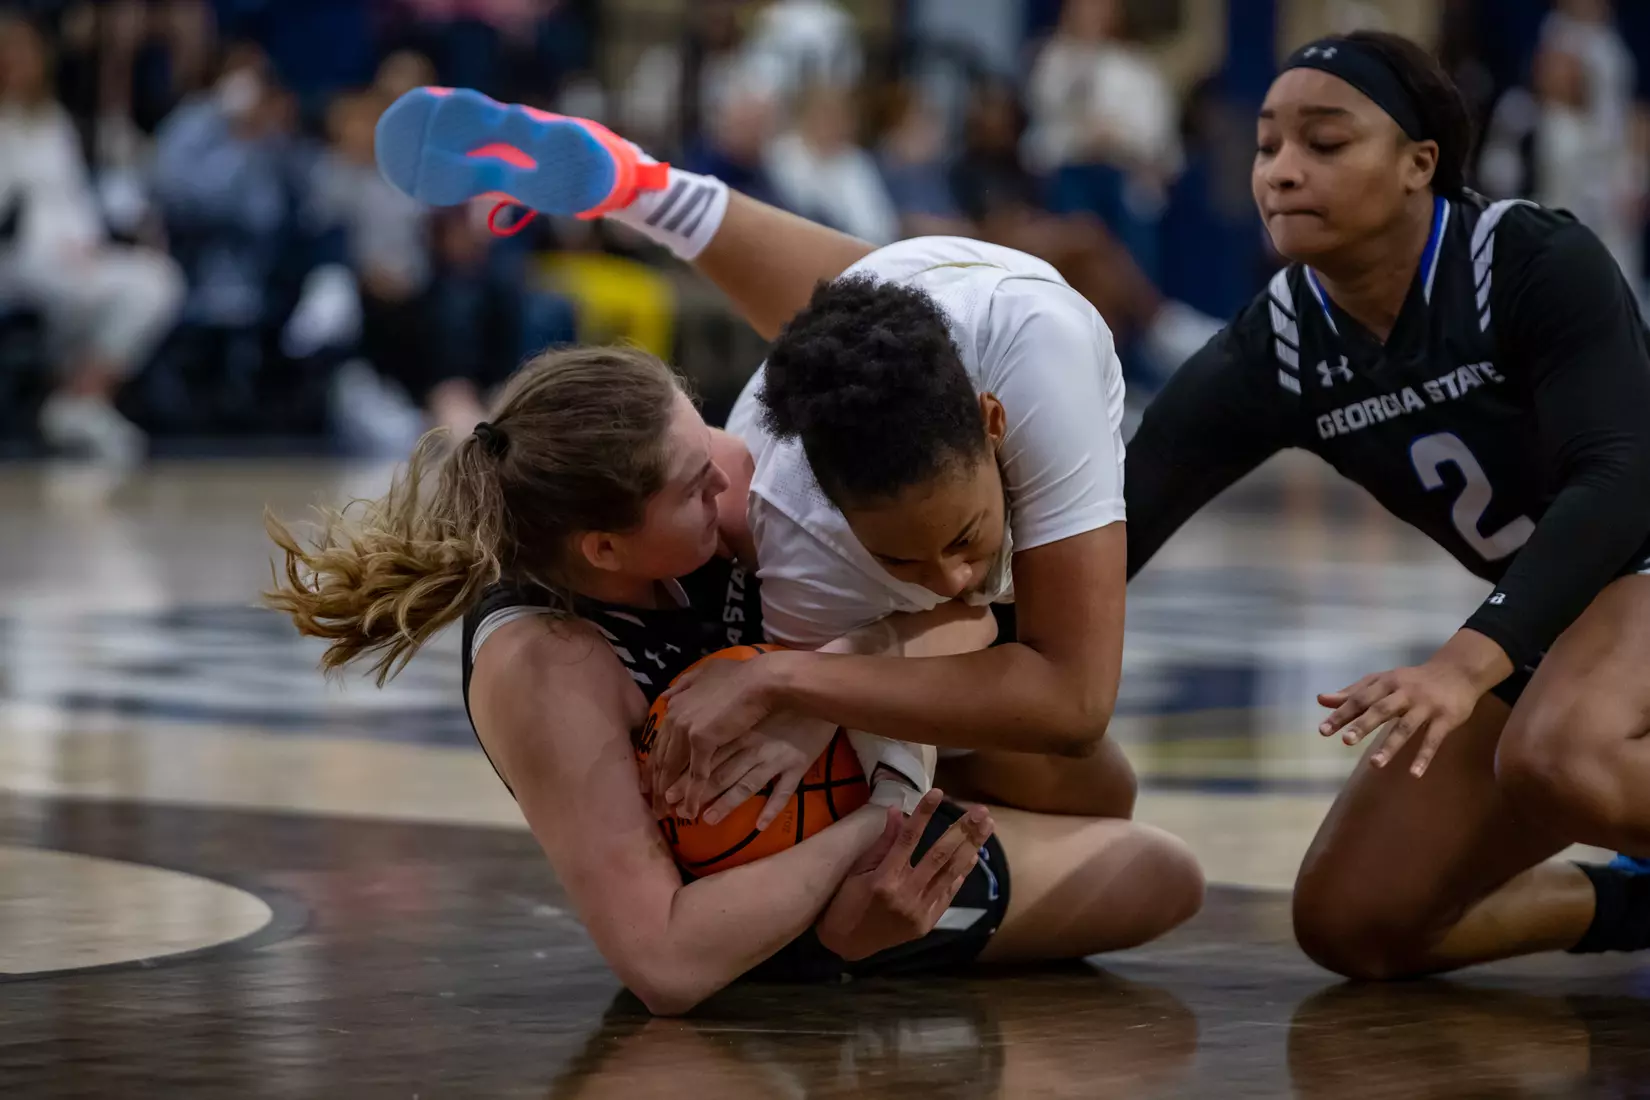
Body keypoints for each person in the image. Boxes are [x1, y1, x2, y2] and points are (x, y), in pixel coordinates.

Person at [263, 345, 1204, 1014]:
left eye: (703, 429)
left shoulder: (718, 476)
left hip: (868, 755)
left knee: (1094, 774)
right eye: (692, 485)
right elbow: (665, 963)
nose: (733, 470)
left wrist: (816, 683)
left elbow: (963, 619)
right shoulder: (544, 665)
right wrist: (875, 823)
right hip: (788, 899)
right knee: (1163, 874)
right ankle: (855, 951)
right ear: (605, 549)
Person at [369, 83, 1147, 827]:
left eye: (963, 540)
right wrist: (832, 702)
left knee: (1087, 769)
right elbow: (954, 634)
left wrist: (797, 682)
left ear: (994, 421)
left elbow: (1073, 701)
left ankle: (653, 193)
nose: (953, 579)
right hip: (870, 343)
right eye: (902, 561)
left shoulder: (1040, 360)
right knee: (1097, 795)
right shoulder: (805, 549)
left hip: (918, 300)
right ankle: (656, 193)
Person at [1119, 32, 1650, 977]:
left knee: (1562, 755)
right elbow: (1115, 522)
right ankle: (1631, 905)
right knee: (1357, 920)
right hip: (1561, 613)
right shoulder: (1281, 345)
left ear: (1419, 163)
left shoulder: (1527, 258)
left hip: (1630, 557)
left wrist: (1463, 663)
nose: (1282, 171)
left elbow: (1619, 481)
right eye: (1267, 146)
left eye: (1324, 143)